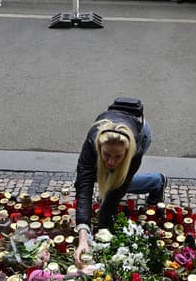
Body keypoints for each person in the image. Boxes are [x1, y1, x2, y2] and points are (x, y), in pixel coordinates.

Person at [73, 98, 166, 267]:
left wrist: (103, 226)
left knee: (116, 181)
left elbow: (118, 189)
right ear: (99, 148)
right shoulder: (91, 144)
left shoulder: (134, 151)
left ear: (126, 152)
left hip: (140, 130)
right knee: (96, 176)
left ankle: (156, 182)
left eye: (117, 157)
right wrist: (83, 237)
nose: (111, 162)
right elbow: (83, 185)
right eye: (106, 155)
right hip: (116, 124)